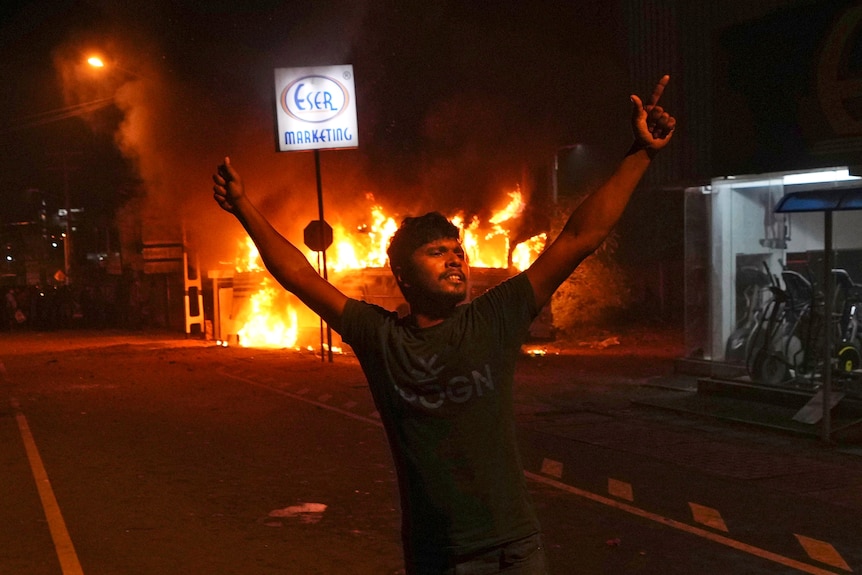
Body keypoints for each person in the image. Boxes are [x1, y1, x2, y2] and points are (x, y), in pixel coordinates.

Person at [212, 75, 676, 575]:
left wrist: (640, 155)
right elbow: (299, 274)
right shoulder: (381, 338)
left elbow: (579, 236)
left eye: (459, 252)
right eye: (437, 253)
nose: (456, 260)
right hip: (437, 555)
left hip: (512, 550)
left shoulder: (494, 318)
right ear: (403, 274)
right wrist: (243, 208)